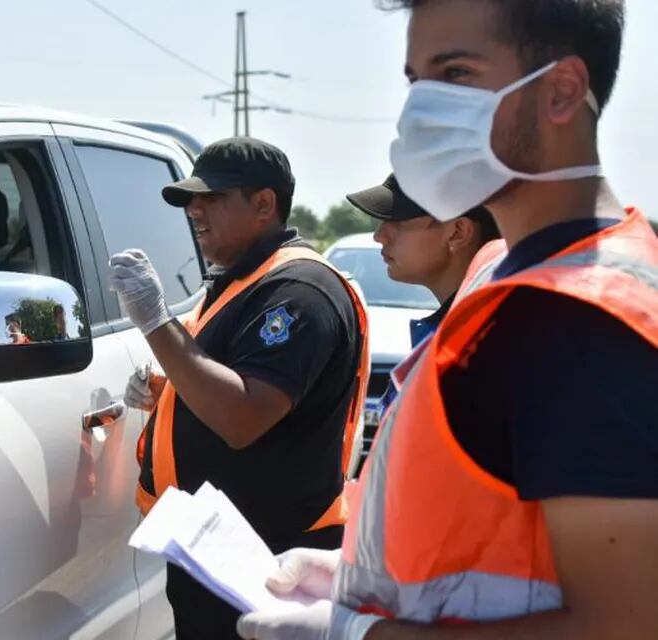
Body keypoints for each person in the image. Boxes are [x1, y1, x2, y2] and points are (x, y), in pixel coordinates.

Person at [237, 1, 657, 639]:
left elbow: (622, 626)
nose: (421, 110)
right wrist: (358, 577)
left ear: (562, 91)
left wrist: (358, 634)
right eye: (415, 80)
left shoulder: (578, 321)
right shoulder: (502, 269)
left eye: (455, 73)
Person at [108, 137, 370, 639]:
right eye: (190, 199)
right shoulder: (241, 280)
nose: (194, 210)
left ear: (264, 204)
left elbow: (243, 416)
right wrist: (172, 390)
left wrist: (156, 322)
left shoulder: (300, 292)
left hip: (265, 556)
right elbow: (232, 378)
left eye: (212, 197)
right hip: (218, 548)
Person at [347, 174, 500, 414]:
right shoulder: (474, 327)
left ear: (458, 232)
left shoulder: (480, 345)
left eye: (398, 220)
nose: (379, 235)